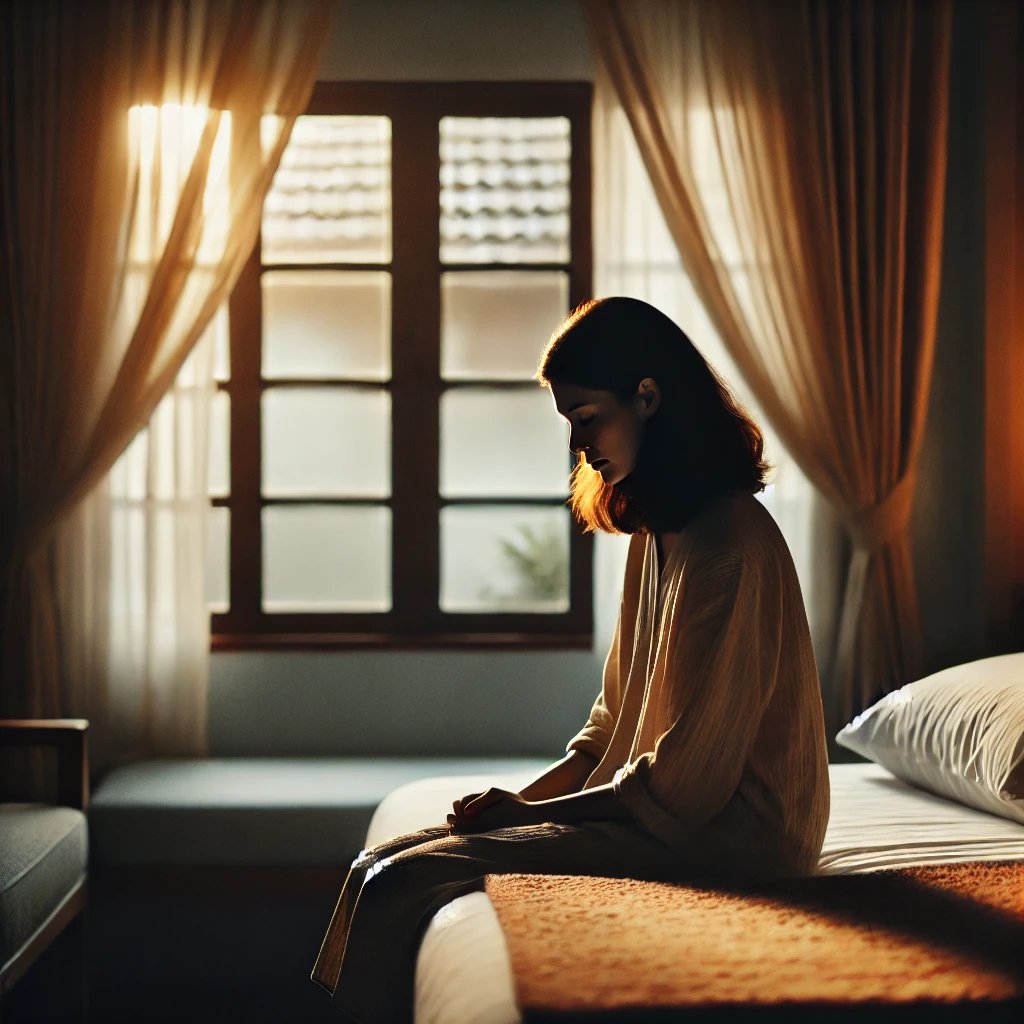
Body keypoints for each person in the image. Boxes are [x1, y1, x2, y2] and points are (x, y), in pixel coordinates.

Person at [311, 296, 829, 1023]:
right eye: (570, 425)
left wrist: (529, 813)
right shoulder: (660, 532)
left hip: (737, 844)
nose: (579, 444)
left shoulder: (731, 543)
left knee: (399, 881)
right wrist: (518, 807)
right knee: (388, 861)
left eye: (588, 419)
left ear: (647, 398)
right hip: (667, 818)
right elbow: (609, 731)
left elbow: (684, 786)